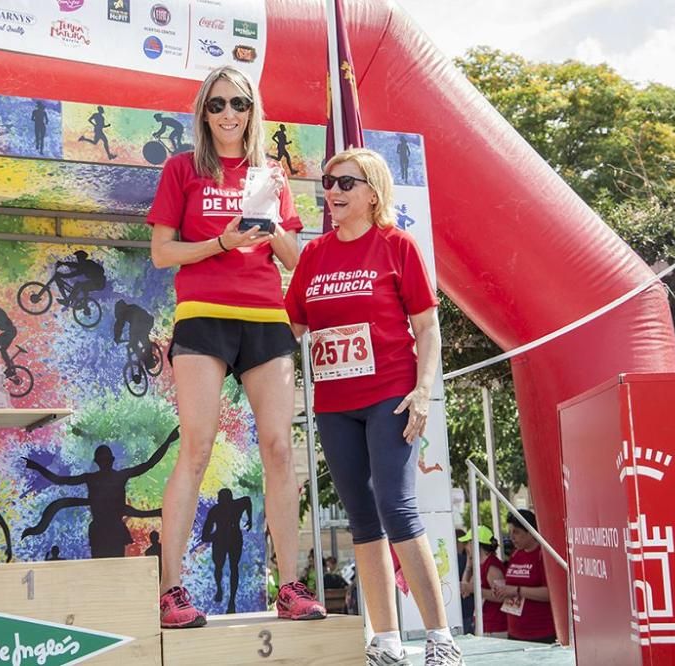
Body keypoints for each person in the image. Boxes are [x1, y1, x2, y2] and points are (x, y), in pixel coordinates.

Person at [147, 64, 323, 629]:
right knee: (196, 449)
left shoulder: (271, 173)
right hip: (203, 316)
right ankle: (170, 591)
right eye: (218, 104)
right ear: (204, 112)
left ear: (253, 111)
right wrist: (221, 241)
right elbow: (161, 254)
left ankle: (291, 586)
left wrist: (272, 226)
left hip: (266, 317)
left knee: (278, 449)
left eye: (239, 104)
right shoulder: (182, 169)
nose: (228, 114)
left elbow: (296, 261)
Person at [284, 147, 464, 666]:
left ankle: (439, 637)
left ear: (373, 192)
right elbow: (290, 328)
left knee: (396, 506)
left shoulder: (396, 245)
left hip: (390, 394)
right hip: (335, 404)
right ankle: (385, 639)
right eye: (328, 182)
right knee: (362, 519)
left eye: (346, 183)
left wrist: (423, 391)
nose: (333, 192)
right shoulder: (315, 256)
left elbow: (427, 327)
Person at [21, 426, 178, 558]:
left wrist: (36, 467)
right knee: (111, 571)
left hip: (103, 531)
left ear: (98, 462)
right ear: (111, 461)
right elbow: (149, 464)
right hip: (110, 531)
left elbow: (59, 480)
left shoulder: (95, 478)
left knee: (106, 571)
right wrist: (168, 442)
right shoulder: (117, 476)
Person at [493, 510, 556, 643]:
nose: (512, 537)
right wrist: (502, 590)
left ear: (530, 532)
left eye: (516, 532)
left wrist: (517, 590)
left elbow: (553, 594)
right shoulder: (516, 555)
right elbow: (511, 584)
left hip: (541, 633)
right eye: (510, 532)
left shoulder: (543, 555)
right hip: (515, 632)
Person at [200, 488, 252, 614]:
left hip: (233, 539)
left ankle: (232, 601)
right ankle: (219, 588)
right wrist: (214, 537)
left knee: (233, 567)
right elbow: (205, 535)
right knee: (219, 566)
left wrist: (250, 519)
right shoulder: (216, 510)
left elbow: (247, 500)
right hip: (222, 540)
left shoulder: (232, 506)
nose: (219, 500)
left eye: (221, 498)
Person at [459, 526, 507, 638]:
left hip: (496, 627)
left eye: (468, 542)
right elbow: (465, 591)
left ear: (476, 544)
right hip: (485, 624)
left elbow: (500, 596)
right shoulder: (480, 565)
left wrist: (473, 589)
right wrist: (468, 565)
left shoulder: (492, 566)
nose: (466, 546)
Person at [113, 299, 156, 371]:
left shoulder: (132, 309)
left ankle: (151, 362)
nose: (121, 317)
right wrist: (117, 337)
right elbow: (118, 325)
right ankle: (144, 359)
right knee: (133, 344)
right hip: (138, 326)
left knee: (143, 339)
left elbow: (134, 326)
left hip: (146, 322)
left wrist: (132, 338)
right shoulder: (123, 314)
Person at [456, 528, 475, 634]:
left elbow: (465, 586)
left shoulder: (460, 560)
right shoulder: (463, 560)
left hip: (466, 609)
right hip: (467, 609)